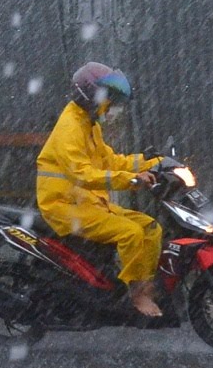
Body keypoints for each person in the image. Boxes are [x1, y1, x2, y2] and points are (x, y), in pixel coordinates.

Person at [36, 62, 163, 317]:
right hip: (63, 206)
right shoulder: (70, 127)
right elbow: (82, 174)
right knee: (130, 233)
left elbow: (110, 160)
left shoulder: (88, 123)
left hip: (86, 202)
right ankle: (135, 296)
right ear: (90, 96)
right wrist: (131, 180)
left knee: (150, 228)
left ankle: (145, 287)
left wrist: (155, 163)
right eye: (107, 99)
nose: (111, 107)